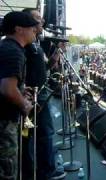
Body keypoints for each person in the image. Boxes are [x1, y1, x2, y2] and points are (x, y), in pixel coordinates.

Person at [22, 8, 66, 180]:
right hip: (32, 96)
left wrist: (57, 52)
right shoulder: (25, 46)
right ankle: (46, 172)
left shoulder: (36, 44)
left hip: (39, 94)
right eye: (38, 19)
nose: (42, 22)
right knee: (43, 133)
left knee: (41, 134)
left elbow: (47, 68)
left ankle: (39, 168)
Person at [0, 11, 38, 180]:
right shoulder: (14, 51)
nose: (35, 31)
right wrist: (24, 104)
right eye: (32, 28)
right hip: (4, 121)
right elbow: (7, 89)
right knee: (7, 169)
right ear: (19, 29)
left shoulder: (6, 47)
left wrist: (21, 90)